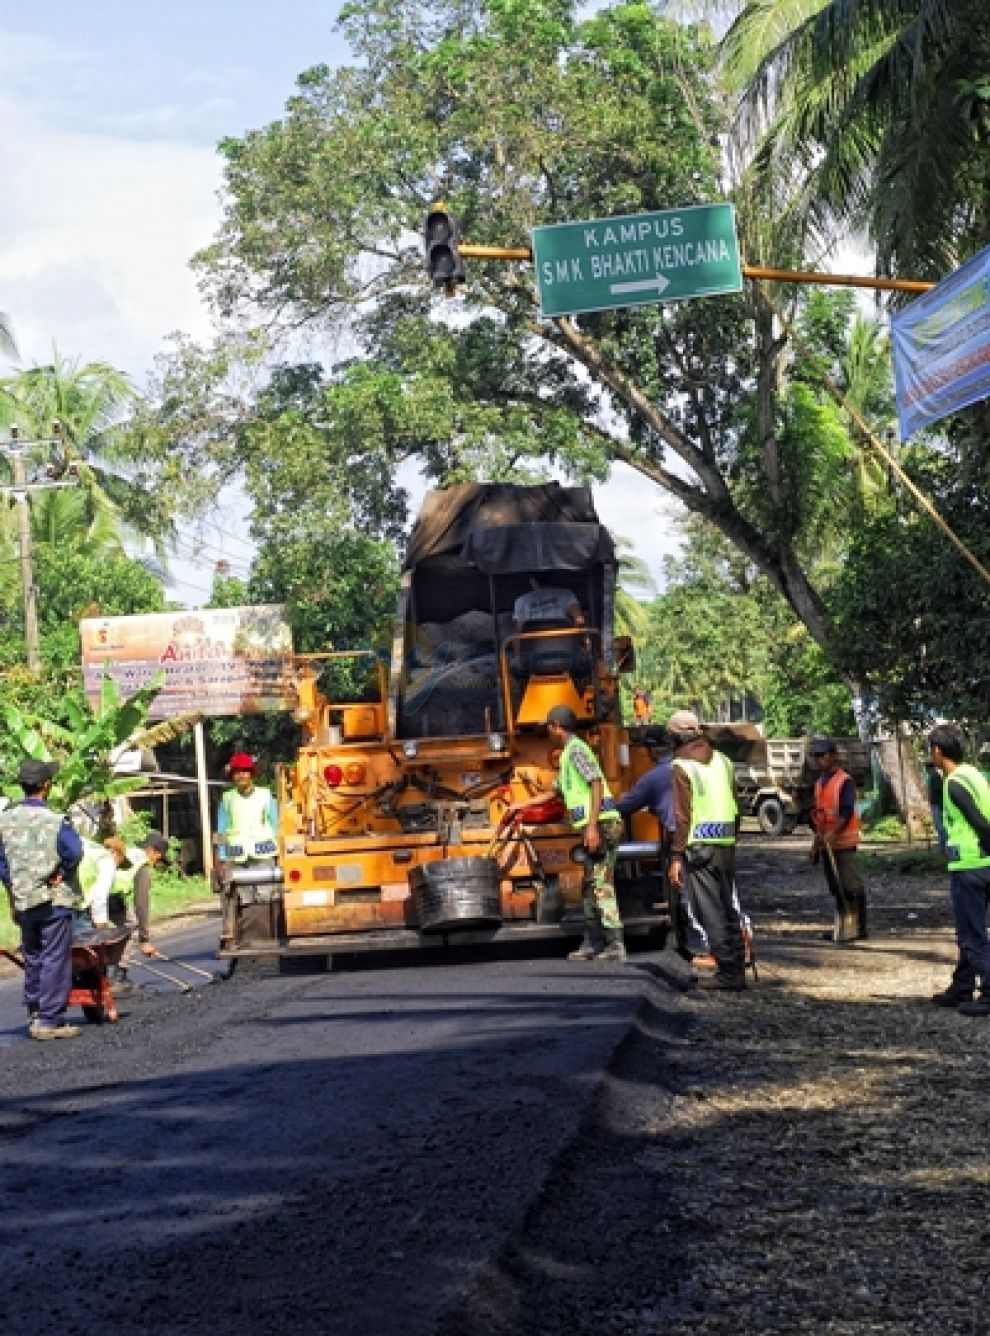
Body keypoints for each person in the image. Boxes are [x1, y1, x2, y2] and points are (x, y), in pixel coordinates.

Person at [506, 704, 626, 962]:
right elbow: (555, 792)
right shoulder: (568, 754)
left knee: (600, 885)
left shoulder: (577, 751)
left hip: (603, 825)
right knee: (589, 886)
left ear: (556, 727)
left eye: (549, 727)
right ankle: (593, 942)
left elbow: (594, 782)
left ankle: (615, 944)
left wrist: (592, 826)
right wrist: (521, 805)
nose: (548, 731)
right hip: (595, 825)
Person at [0, 758, 84, 1040]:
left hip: (23, 900)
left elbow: (2, 863)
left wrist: (13, 891)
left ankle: (35, 1012)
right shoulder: (54, 820)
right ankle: (49, 1020)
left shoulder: (5, 820)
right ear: (46, 786)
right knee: (54, 958)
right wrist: (61, 871)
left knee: (33, 956)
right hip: (52, 901)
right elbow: (75, 851)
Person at [667, 709, 747, 991]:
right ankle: (737, 966)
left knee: (709, 910)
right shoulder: (723, 761)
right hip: (726, 845)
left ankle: (727, 971)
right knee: (728, 907)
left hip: (699, 848)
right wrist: (732, 840)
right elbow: (737, 805)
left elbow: (682, 817)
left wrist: (676, 856)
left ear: (676, 737)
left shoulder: (681, 766)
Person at [615, 738, 712, 964]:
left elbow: (626, 806)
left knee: (692, 898)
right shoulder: (703, 766)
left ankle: (709, 950)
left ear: (651, 752)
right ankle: (739, 943)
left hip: (685, 841)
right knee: (719, 894)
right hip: (715, 836)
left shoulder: (655, 777)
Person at [928, 723, 990, 1016]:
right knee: (969, 930)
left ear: (938, 751)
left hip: (971, 865)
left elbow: (978, 821)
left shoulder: (953, 783)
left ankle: (989, 992)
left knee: (972, 934)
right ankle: (962, 985)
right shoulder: (973, 774)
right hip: (981, 864)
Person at [809, 736, 868, 942]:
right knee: (835, 886)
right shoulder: (819, 784)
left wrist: (833, 832)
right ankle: (842, 925)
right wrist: (816, 845)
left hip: (843, 841)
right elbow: (818, 816)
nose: (819, 760)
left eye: (822, 755)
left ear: (833, 756)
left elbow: (845, 811)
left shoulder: (845, 781)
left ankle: (859, 927)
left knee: (851, 885)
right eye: (817, 756)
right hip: (826, 842)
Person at [106, 831, 170, 979]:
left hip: (99, 894)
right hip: (110, 895)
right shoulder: (143, 866)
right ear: (152, 851)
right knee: (130, 929)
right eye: (159, 856)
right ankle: (118, 974)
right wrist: (144, 939)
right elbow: (141, 904)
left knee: (113, 931)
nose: (158, 861)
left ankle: (109, 970)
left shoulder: (130, 852)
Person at [217, 752, 278, 866]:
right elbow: (221, 831)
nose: (241, 776)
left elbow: (277, 825)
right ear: (233, 776)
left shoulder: (265, 795)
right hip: (237, 856)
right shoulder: (227, 798)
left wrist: (281, 853)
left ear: (251, 774)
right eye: (237, 772)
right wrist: (221, 856)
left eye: (245, 772)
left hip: (264, 854)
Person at [512, 576, 585, 632]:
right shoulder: (566, 594)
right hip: (564, 646)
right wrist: (576, 641)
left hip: (532, 650)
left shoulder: (521, 601)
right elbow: (579, 620)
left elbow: (517, 632)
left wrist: (517, 651)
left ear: (531, 580)